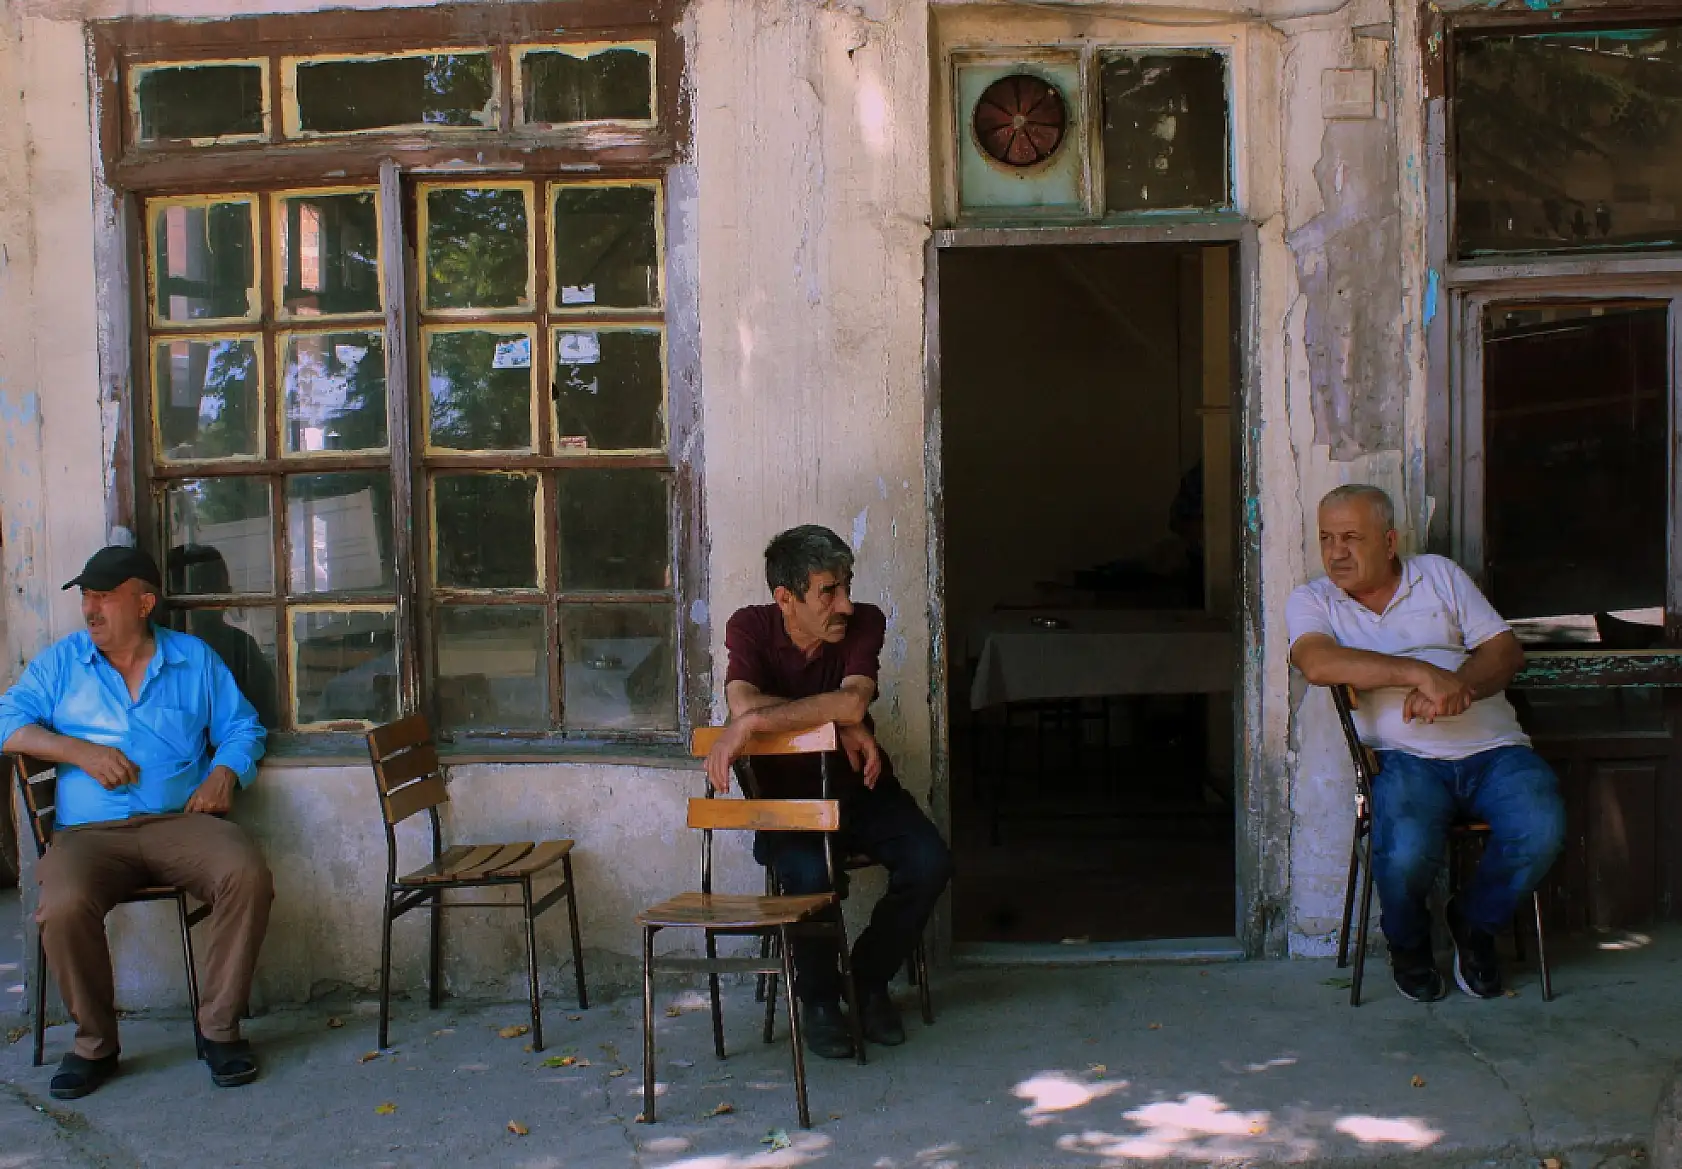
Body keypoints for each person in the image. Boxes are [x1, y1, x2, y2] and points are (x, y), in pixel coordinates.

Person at [0, 546, 271, 1098]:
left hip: (179, 822)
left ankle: (218, 1030)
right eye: (87, 597)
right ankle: (95, 1044)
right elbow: (6, 723)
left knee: (245, 873)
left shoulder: (193, 660)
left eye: (105, 597)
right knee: (64, 903)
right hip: (89, 836)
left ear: (144, 602)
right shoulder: (61, 663)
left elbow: (244, 728)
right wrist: (79, 751)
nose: (91, 610)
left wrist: (225, 774)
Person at [1286, 485, 1564, 1002]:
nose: (1336, 552)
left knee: (1541, 827)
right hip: (1405, 760)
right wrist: (1422, 673)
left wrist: (1462, 689)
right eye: (1326, 538)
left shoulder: (1439, 575)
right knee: (1407, 852)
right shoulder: (1314, 600)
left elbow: (1503, 651)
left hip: (1496, 751)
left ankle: (1474, 922)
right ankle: (1409, 944)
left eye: (1351, 537)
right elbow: (1318, 663)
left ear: (1389, 542)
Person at [706, 525, 953, 1058]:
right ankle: (818, 1002)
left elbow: (848, 702)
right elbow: (745, 703)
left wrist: (763, 724)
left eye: (846, 586)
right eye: (828, 591)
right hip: (787, 807)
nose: (844, 603)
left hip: (860, 792)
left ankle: (864, 980)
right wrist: (834, 726)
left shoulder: (865, 621)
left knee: (930, 861)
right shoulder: (749, 626)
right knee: (809, 878)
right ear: (786, 599)